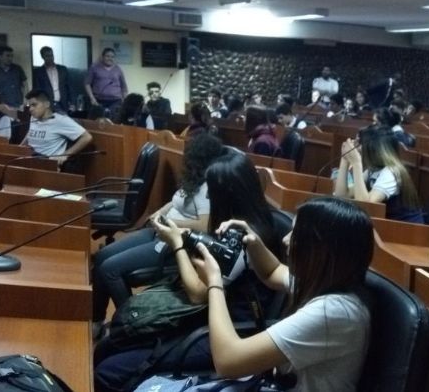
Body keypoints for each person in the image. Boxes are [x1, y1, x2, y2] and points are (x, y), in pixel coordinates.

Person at [94, 152, 286, 391]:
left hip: (223, 328)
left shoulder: (242, 239)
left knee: (107, 371)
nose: (207, 195)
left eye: (211, 192)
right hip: (204, 313)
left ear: (226, 195)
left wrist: (176, 243)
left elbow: (197, 292)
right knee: (110, 344)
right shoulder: (248, 221)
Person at [180, 197, 373, 391]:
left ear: (321, 251)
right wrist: (253, 241)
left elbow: (227, 361)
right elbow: (273, 273)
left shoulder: (333, 312)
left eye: (296, 235)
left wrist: (214, 283)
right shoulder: (330, 283)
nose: (285, 240)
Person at [91, 133, 225, 336]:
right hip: (158, 231)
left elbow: (204, 224)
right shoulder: (194, 178)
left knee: (110, 269)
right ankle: (98, 320)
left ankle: (131, 324)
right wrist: (160, 212)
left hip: (173, 243)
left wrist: (169, 222)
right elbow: (176, 201)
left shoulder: (207, 186)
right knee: (101, 256)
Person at [334, 125, 424, 223]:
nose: (357, 147)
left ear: (372, 149)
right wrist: (344, 159)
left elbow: (365, 207)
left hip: (407, 231)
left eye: (360, 144)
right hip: (389, 226)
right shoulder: (373, 169)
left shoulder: (391, 172)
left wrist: (356, 164)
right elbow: (342, 195)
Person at [21, 90, 93, 162]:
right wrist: (19, 147)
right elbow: (30, 133)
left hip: (47, 165)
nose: (30, 109)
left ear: (47, 104)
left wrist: (65, 155)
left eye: (34, 105)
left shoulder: (61, 120)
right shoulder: (33, 118)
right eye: (29, 106)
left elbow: (87, 137)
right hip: (28, 160)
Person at [85, 48, 128, 115]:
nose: (110, 58)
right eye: (107, 56)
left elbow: (124, 87)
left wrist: (125, 101)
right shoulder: (94, 68)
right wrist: (92, 98)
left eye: (112, 57)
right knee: (98, 122)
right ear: (103, 57)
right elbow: (87, 84)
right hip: (99, 101)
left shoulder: (118, 69)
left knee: (114, 122)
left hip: (115, 101)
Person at [32, 46, 72, 113]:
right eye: (47, 56)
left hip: (63, 104)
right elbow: (37, 90)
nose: (50, 58)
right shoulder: (38, 72)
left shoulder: (63, 69)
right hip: (47, 105)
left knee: (64, 122)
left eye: (51, 55)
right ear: (43, 57)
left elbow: (69, 86)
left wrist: (72, 103)